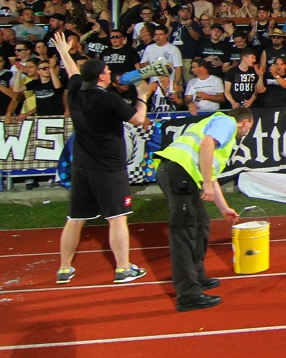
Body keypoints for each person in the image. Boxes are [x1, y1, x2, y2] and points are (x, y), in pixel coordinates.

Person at [53, 32, 152, 286]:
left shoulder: (75, 92)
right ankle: (122, 268)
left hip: (82, 166)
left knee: (75, 218)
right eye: (107, 70)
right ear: (102, 76)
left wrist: (64, 51)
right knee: (117, 217)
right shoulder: (108, 99)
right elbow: (139, 120)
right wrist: (143, 95)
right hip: (108, 167)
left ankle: (64, 269)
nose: (109, 72)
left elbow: (72, 70)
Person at [154, 108, 254, 312]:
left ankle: (197, 276)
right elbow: (206, 144)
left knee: (200, 223)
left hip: (179, 173)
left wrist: (224, 208)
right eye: (249, 128)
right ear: (244, 122)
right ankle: (187, 294)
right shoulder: (226, 123)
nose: (246, 133)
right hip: (179, 173)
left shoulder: (221, 130)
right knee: (184, 232)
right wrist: (206, 183)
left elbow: (212, 175)